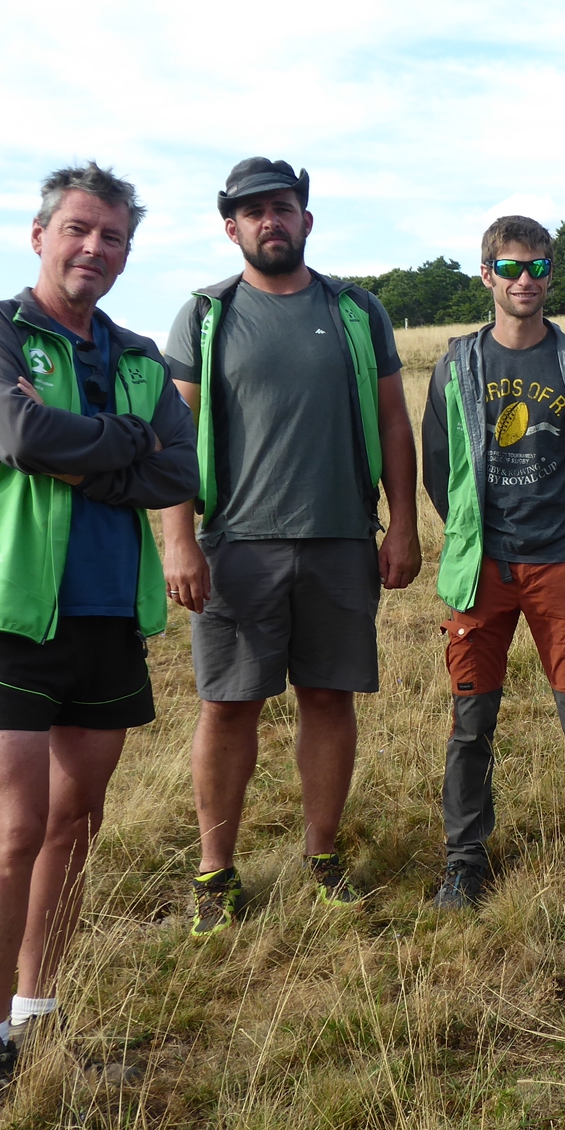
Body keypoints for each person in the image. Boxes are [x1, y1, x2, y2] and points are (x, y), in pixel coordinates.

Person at [0, 163, 198, 1118]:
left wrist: (87, 442)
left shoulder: (135, 355)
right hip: (7, 614)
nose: (96, 248)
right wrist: (121, 443)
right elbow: (13, 434)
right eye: (80, 230)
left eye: (115, 237)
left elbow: (181, 468)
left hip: (106, 616)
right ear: (40, 235)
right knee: (11, 832)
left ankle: (39, 1018)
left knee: (73, 825)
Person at [161, 158, 421, 936]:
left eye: (283, 207)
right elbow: (173, 436)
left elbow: (393, 421)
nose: (269, 221)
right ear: (231, 226)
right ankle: (216, 873)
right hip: (236, 544)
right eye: (253, 212)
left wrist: (403, 523)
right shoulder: (206, 315)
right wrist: (179, 539)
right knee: (228, 706)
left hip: (342, 539)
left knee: (328, 699)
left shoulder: (355, 310)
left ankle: (323, 855)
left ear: (306, 219)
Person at [422, 215, 565, 913]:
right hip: (482, 570)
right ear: (487, 275)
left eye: (539, 268)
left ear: (552, 274)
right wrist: (471, 535)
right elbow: (440, 468)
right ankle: (464, 862)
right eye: (512, 268)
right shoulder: (457, 365)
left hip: (561, 565)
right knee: (472, 723)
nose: (527, 280)